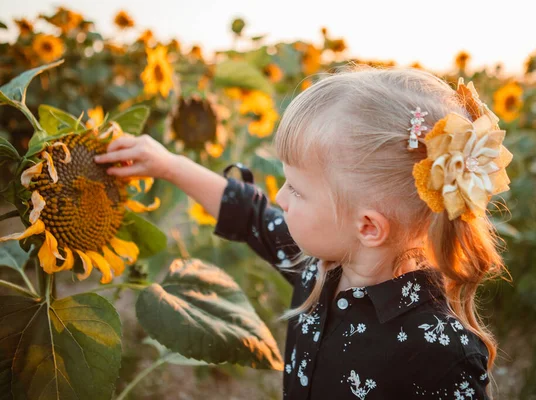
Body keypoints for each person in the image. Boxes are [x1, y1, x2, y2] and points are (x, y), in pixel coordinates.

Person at [94, 66, 513, 399]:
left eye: (296, 188)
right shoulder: (319, 263)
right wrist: (167, 164)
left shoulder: (440, 352)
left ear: (367, 226)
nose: (280, 197)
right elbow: (249, 214)